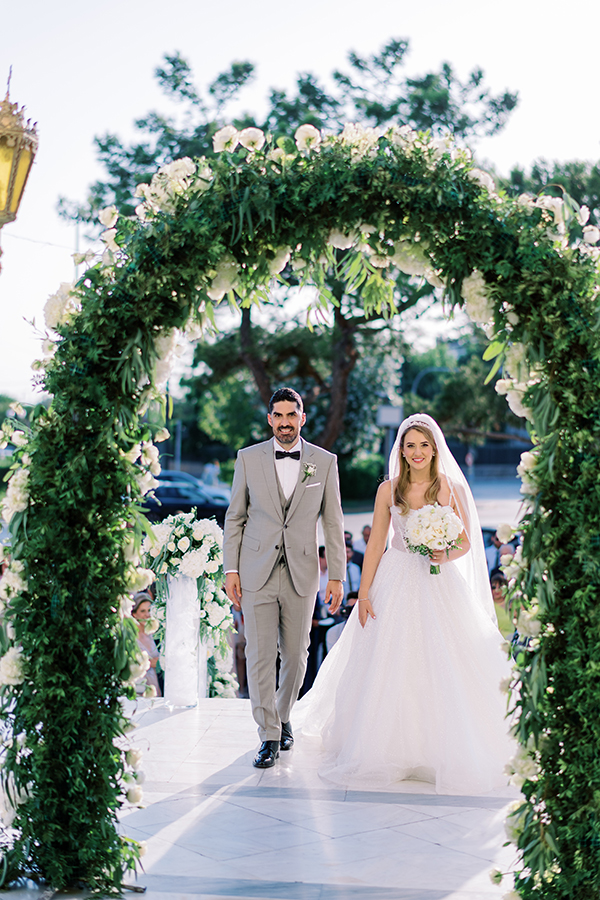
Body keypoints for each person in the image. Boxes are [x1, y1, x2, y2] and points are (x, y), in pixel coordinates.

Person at [301, 413, 513, 794]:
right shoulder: (389, 490)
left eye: (423, 445)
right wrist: (364, 595)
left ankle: (438, 750)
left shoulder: (449, 488)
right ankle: (387, 749)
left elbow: (465, 543)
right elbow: (375, 547)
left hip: (438, 581)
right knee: (390, 659)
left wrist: (441, 555)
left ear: (434, 450)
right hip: (395, 579)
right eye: (410, 445)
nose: (417, 452)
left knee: (442, 659)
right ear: (401, 450)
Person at [223, 387, 346, 769]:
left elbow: (333, 521)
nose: (284, 422)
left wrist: (337, 576)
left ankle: (282, 712)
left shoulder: (324, 463)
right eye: (278, 415)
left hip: (303, 572)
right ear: (269, 419)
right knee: (260, 657)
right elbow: (236, 517)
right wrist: (231, 569)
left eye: (291, 415)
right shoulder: (248, 458)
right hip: (256, 571)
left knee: (295, 655)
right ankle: (269, 736)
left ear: (302, 418)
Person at [131, 592, 162, 697]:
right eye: (142, 611)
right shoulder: (132, 637)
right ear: (134, 614)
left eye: (149, 610)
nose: (147, 614)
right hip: (139, 689)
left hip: (155, 686)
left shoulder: (153, 635)